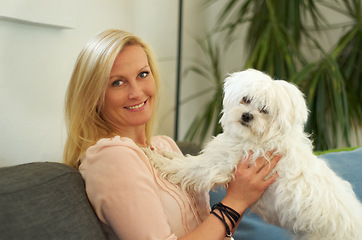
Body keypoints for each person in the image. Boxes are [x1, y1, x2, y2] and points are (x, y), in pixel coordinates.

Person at [63, 29, 280, 240]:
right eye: (117, 82)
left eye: (143, 74)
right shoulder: (111, 156)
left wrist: (244, 194)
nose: (137, 92)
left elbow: (214, 227)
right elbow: (230, 207)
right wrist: (236, 201)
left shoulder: (164, 146)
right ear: (94, 96)